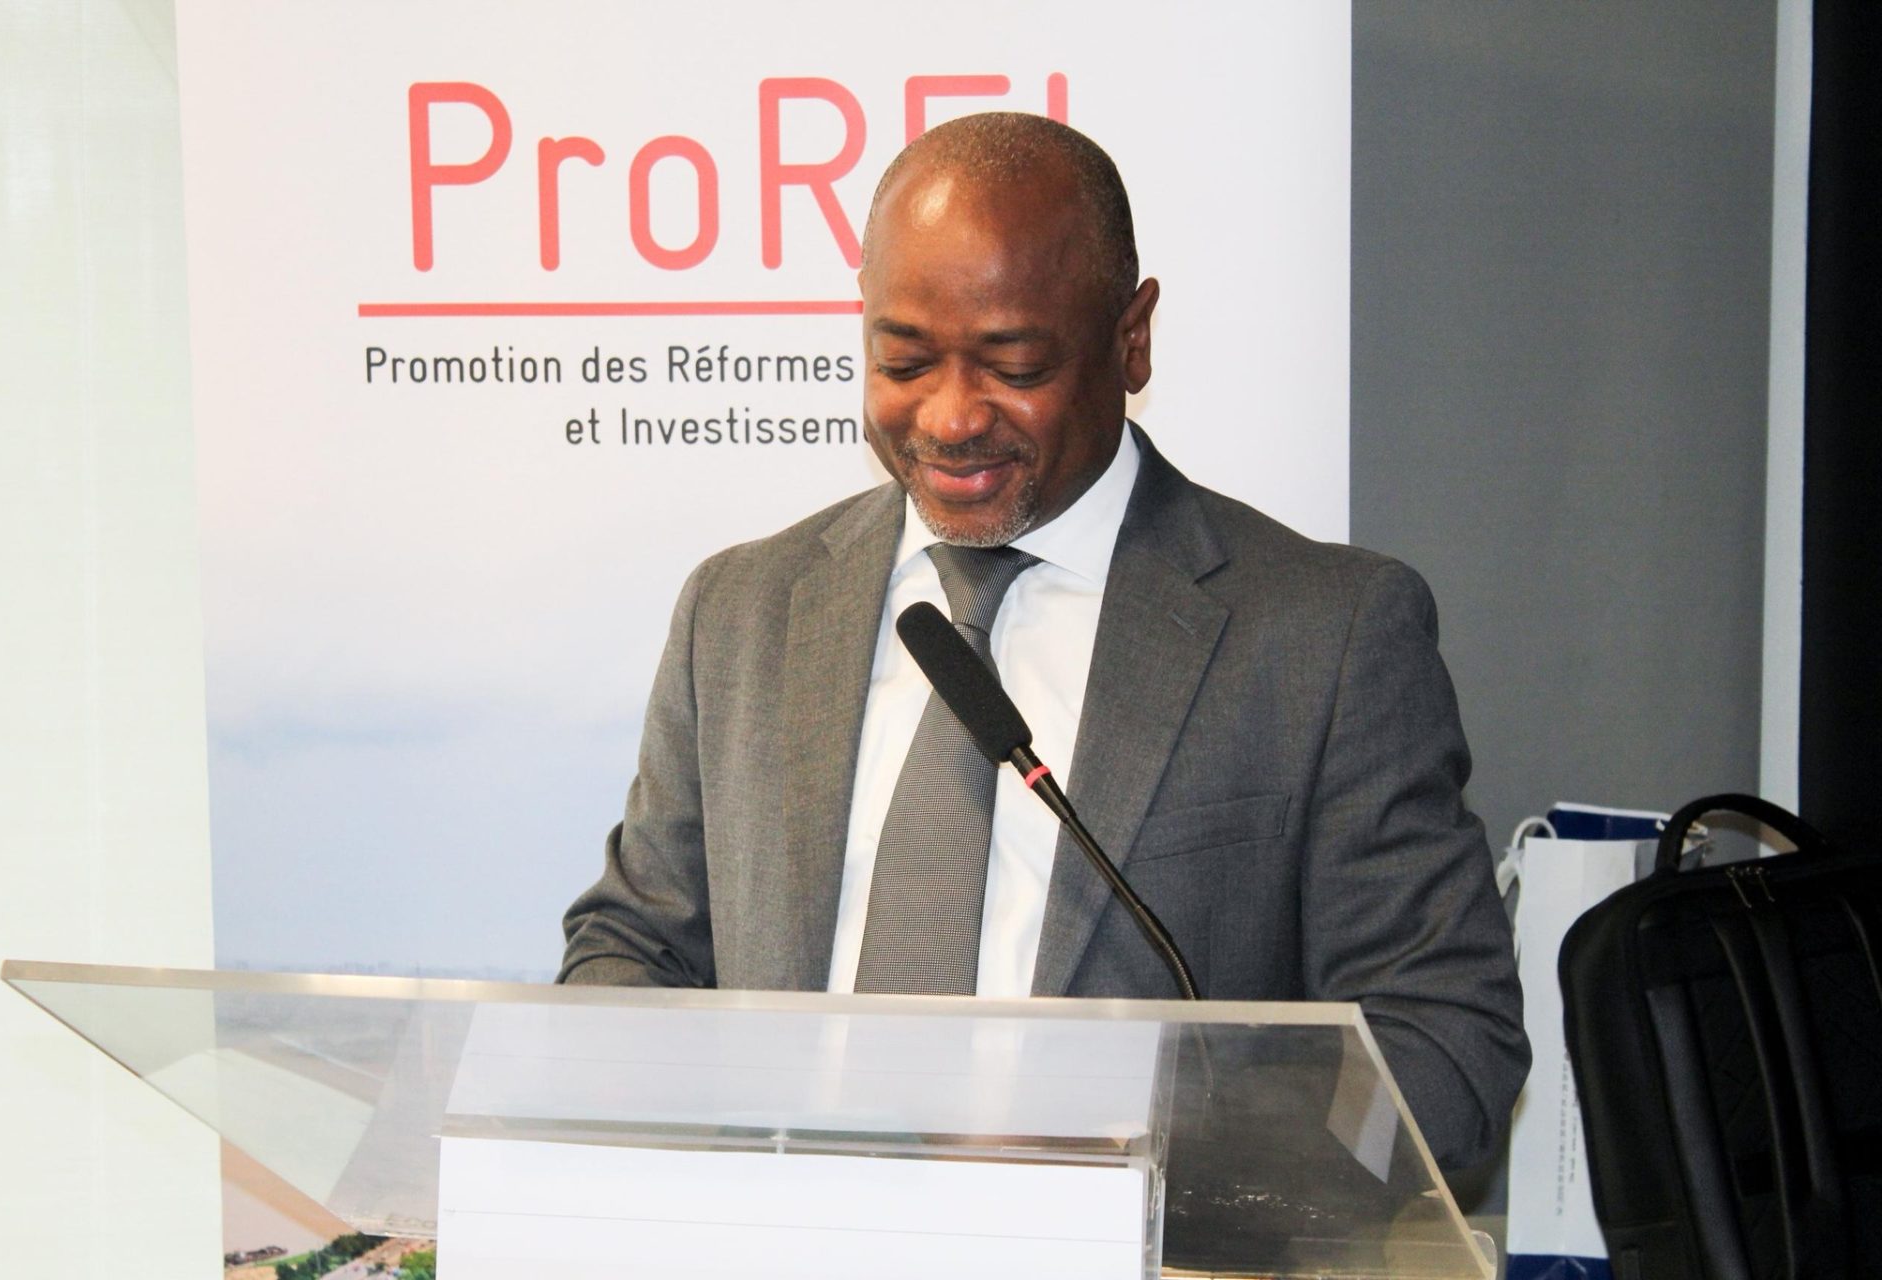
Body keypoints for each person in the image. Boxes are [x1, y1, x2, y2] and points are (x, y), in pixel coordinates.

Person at [560, 112, 1527, 1171]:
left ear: (1132, 338)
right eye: (903, 360)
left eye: (1013, 363)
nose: (951, 417)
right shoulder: (744, 609)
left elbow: (1443, 1049)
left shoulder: (1323, 636)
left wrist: (1125, 1151)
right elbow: (635, 948)